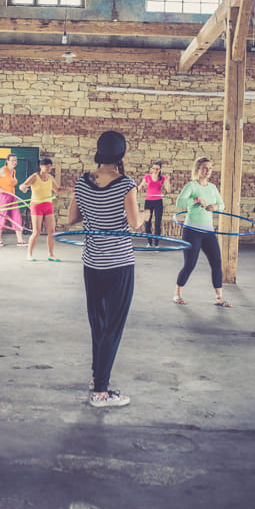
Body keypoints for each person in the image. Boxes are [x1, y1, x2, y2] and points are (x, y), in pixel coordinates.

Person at [68, 130, 144, 407]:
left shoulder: (82, 181)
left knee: (98, 324)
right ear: (121, 154)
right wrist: (145, 214)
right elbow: (134, 223)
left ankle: (96, 377)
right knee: (113, 326)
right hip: (119, 264)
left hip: (92, 263)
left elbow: (72, 218)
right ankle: (100, 392)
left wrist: (94, 212)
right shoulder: (126, 184)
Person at [173, 156, 231, 307]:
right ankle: (177, 294)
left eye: (210, 168)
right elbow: (179, 202)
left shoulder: (212, 188)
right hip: (192, 230)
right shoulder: (191, 186)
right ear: (198, 169)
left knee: (217, 262)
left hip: (208, 231)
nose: (208, 171)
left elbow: (222, 204)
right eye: (205, 168)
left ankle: (219, 297)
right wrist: (196, 200)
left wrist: (215, 207)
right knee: (190, 264)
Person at [19, 157, 64, 261]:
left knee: (52, 231)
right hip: (36, 206)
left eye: (50, 166)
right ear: (40, 166)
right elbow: (23, 185)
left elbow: (57, 190)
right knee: (37, 231)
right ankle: (29, 254)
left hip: (48, 205)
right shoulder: (35, 176)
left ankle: (51, 255)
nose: (49, 168)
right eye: (46, 166)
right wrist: (23, 188)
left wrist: (71, 189)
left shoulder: (51, 178)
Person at [0, 153, 27, 247]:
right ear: (7, 161)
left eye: (16, 160)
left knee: (17, 217)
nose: (14, 162)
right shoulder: (3, 170)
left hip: (12, 196)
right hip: (2, 196)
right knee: (2, 217)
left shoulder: (13, 171)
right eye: (12, 160)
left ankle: (20, 240)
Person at [138, 160, 171, 246]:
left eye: (157, 169)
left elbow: (168, 190)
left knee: (157, 223)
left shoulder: (162, 178)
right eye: (154, 168)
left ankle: (156, 244)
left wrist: (167, 180)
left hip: (158, 202)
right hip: (148, 201)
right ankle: (149, 242)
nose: (155, 170)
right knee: (147, 223)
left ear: (160, 169)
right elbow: (139, 189)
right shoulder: (147, 177)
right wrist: (142, 185)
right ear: (152, 168)